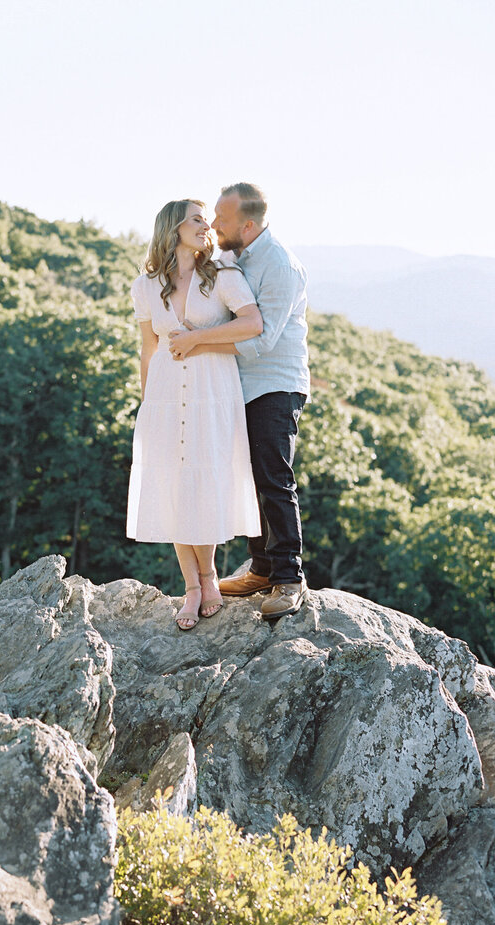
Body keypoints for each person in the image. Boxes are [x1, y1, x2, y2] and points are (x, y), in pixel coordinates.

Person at [168, 183, 309, 619]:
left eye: (222, 220)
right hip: (236, 386)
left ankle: (288, 578)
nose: (213, 225)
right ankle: (262, 568)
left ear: (247, 225)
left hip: (275, 383)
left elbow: (261, 339)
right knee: (244, 477)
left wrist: (196, 342)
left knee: (272, 476)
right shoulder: (233, 257)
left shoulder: (279, 265)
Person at [127, 198, 263, 630]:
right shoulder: (147, 285)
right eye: (198, 218)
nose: (208, 226)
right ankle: (193, 586)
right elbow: (148, 349)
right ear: (174, 227)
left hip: (212, 391)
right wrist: (148, 405)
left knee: (204, 482)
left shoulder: (222, 275)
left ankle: (208, 577)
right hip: (166, 394)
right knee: (174, 483)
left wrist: (199, 339)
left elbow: (252, 323)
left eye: (207, 219)